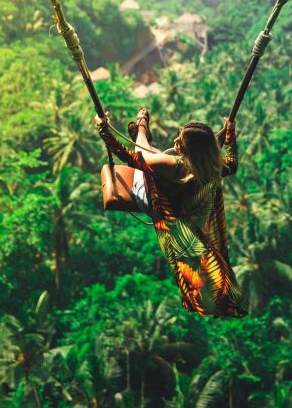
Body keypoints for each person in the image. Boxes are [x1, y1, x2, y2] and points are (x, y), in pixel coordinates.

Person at [96, 108, 247, 318]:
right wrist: (230, 136)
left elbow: (132, 158)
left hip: (159, 205)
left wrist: (103, 129)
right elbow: (232, 163)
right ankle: (144, 138)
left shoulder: (175, 165)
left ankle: (142, 130)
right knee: (156, 158)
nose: (175, 139)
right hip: (185, 209)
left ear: (190, 151)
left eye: (180, 140)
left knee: (145, 156)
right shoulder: (214, 167)